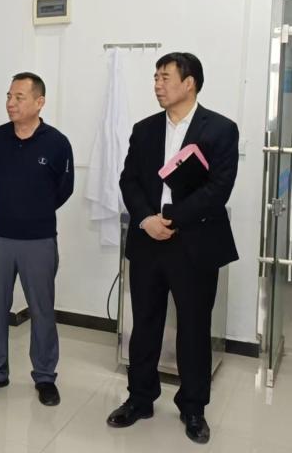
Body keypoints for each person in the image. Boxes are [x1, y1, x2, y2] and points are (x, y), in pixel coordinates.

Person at [107, 52, 239, 444]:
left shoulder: (220, 129)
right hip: (149, 240)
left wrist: (173, 218)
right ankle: (140, 397)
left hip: (194, 243)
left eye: (165, 77)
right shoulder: (144, 129)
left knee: (194, 328)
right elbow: (129, 180)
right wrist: (146, 219)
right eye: (155, 77)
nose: (157, 84)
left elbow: (219, 188)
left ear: (189, 83)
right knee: (144, 324)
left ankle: (193, 408)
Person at [0, 73, 73, 406]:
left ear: (39, 102)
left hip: (38, 240)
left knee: (42, 310)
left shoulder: (57, 143)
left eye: (19, 97)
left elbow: (64, 189)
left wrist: (35, 210)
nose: (11, 103)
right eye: (9, 96)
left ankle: (44, 376)